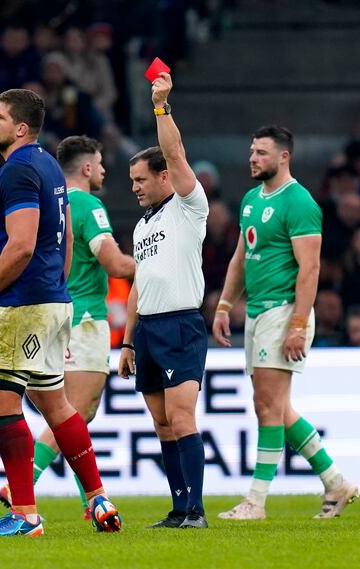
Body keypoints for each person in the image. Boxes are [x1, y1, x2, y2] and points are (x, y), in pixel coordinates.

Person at [0, 89, 122, 537]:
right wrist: (57, 285)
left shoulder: (17, 171)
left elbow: (20, 243)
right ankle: (98, 499)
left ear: (21, 127)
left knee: (0, 398)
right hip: (56, 299)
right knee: (56, 403)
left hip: (22, 302)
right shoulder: (49, 167)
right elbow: (67, 241)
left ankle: (24, 514)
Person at [212, 125, 358, 520]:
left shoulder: (300, 202)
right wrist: (225, 304)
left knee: (267, 407)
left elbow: (310, 269)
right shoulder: (249, 199)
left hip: (284, 309)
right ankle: (335, 482)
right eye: (251, 150)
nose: (253, 158)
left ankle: (256, 502)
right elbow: (241, 257)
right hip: (258, 312)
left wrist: (297, 324)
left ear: (283, 157)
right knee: (278, 407)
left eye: (261, 152)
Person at [0, 135, 135, 520]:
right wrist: (158, 265)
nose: (104, 170)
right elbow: (114, 264)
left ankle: (91, 503)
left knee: (66, 412)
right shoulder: (88, 204)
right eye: (101, 163)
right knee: (74, 413)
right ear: (87, 167)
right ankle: (27, 485)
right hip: (85, 319)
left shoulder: (46, 201)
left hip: (46, 317)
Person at [117, 72, 210, 530]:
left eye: (140, 179)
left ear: (164, 177)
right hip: (149, 329)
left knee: (181, 416)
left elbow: (174, 152)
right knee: (162, 424)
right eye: (131, 179)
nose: (134, 187)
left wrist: (160, 106)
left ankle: (197, 510)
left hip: (180, 324)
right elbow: (138, 284)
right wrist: (128, 342)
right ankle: (178, 509)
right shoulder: (141, 227)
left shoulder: (189, 207)